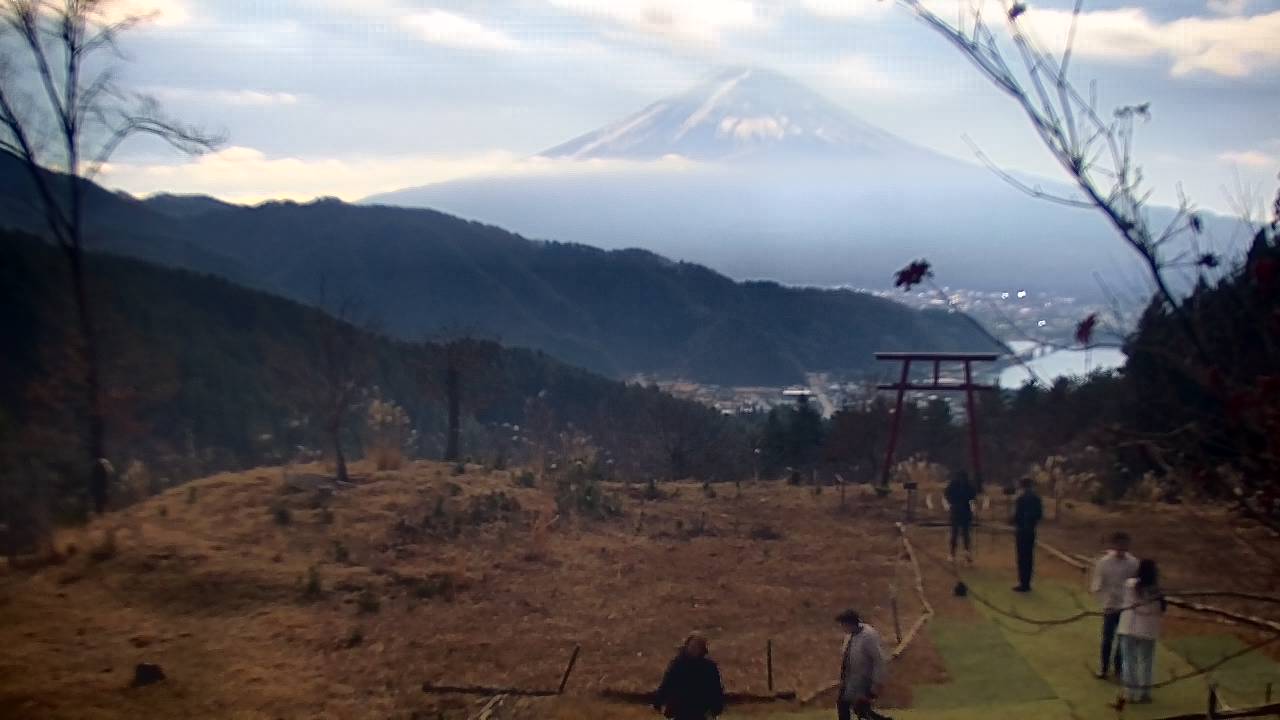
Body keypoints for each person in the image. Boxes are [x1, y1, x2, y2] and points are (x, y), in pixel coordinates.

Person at [1117, 559, 1166, 704]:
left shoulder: (1130, 585)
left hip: (1129, 628)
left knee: (1129, 661)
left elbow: (1127, 601)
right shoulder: (1157, 592)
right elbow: (1159, 610)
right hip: (1148, 631)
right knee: (1147, 662)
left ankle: (1130, 693)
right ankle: (1145, 693)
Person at [1091, 531, 1139, 680]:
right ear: (1114, 545)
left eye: (1124, 545)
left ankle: (1119, 668)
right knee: (1107, 638)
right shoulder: (1104, 562)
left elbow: (1136, 583)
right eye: (1119, 545)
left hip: (1126, 605)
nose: (1121, 548)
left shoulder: (1133, 563)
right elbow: (1098, 582)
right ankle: (1104, 667)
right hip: (1110, 605)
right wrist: (1102, 598)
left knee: (1122, 638)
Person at [653, 632, 725, 720]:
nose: (694, 650)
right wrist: (658, 702)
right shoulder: (678, 665)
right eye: (692, 647)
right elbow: (667, 684)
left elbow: (715, 689)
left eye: (697, 647)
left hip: (700, 712)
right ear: (687, 647)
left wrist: (716, 708)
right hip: (679, 712)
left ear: (702, 650)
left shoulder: (709, 668)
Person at [835, 610, 892, 720]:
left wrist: (875, 686)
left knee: (861, 710)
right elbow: (847, 658)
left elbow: (879, 661)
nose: (842, 627)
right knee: (845, 706)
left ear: (850, 623)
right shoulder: (849, 636)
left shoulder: (868, 636)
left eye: (843, 624)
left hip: (864, 681)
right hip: (850, 681)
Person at [1011, 478, 1042, 592]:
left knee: (1022, 557)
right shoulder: (1036, 498)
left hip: (1021, 530)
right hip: (1031, 530)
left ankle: (1023, 583)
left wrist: (1015, 521)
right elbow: (1039, 514)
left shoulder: (1021, 498)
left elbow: (1016, 515)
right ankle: (1027, 582)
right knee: (1029, 557)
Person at [944, 470, 977, 563]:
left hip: (956, 510)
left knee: (955, 533)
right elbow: (973, 497)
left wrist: (951, 504)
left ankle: (952, 554)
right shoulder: (968, 485)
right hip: (965, 511)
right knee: (965, 534)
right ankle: (966, 553)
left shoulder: (953, 484)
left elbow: (947, 494)